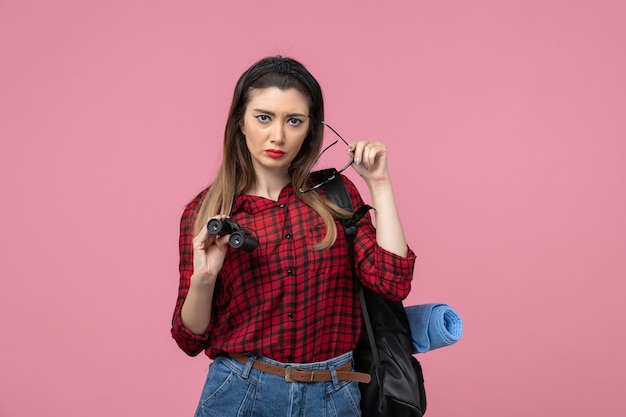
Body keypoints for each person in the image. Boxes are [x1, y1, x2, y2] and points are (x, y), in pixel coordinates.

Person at [171, 56, 416, 417]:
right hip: (240, 391)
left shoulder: (335, 195)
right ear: (240, 120)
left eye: (294, 121)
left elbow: (393, 281)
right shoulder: (206, 212)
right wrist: (204, 278)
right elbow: (189, 338)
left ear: (310, 128)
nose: (278, 136)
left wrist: (379, 183)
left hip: (335, 394)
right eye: (264, 117)